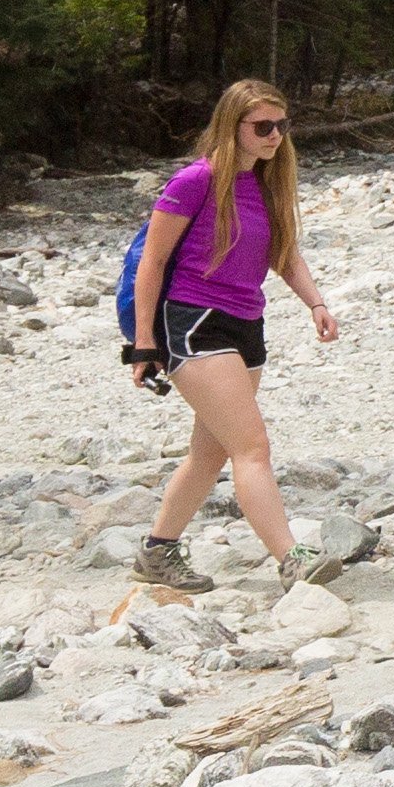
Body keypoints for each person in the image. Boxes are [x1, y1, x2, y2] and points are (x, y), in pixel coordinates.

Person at [127, 78, 341, 595]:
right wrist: (143, 344)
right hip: (194, 322)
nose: (275, 136)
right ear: (232, 125)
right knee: (252, 447)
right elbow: (152, 262)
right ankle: (292, 558)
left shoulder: (268, 183)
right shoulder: (195, 181)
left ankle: (157, 551)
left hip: (247, 323)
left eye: (281, 126)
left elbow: (284, 254)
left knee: (212, 453)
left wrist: (316, 303)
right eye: (262, 127)